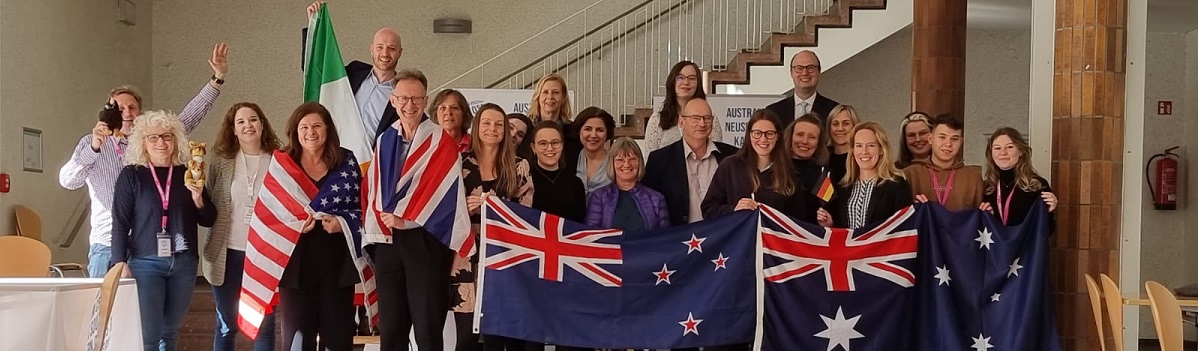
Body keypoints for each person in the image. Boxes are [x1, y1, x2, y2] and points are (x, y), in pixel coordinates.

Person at [60, 42, 229, 278]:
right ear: (108, 111)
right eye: (119, 108)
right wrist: (94, 147)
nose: (127, 113)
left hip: (145, 243)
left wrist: (217, 79)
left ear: (141, 113)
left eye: (132, 107)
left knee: (142, 312)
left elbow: (191, 115)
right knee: (104, 311)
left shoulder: (154, 140)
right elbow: (68, 181)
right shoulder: (92, 143)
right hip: (107, 243)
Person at [362, 70, 457, 351]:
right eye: (403, 98)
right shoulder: (384, 140)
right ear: (393, 101)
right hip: (389, 243)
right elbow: (374, 189)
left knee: (427, 331)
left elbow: (447, 195)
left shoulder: (441, 141)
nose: (409, 105)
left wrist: (410, 219)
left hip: (426, 242)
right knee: (391, 332)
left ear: (425, 100)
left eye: (416, 98)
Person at [110, 111, 216, 351]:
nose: (161, 142)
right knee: (148, 335)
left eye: (167, 136)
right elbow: (120, 220)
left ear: (176, 140)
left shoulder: (188, 173)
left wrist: (198, 198)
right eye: (153, 137)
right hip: (145, 263)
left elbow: (209, 219)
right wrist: (119, 261)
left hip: (184, 263)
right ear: (143, 142)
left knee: (170, 333)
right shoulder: (132, 175)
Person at [270, 102, 365, 351]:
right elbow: (270, 214)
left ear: (328, 129)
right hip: (296, 268)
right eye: (304, 127)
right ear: (295, 131)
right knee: (298, 342)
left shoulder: (346, 161)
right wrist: (293, 226)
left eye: (316, 126)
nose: (310, 132)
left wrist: (343, 224)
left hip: (337, 266)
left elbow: (363, 209)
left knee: (338, 341)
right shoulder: (282, 163)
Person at [452, 103, 535, 351]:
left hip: (504, 258)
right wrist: (464, 208)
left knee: (497, 337)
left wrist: (499, 208)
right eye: (487, 123)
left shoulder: (519, 166)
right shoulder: (460, 163)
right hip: (466, 258)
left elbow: (526, 216)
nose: (493, 129)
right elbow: (446, 209)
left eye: (499, 124)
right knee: (466, 337)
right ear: (477, 127)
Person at [202, 103, 282, 351]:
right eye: (241, 122)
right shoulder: (221, 162)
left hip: (265, 255)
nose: (248, 125)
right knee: (227, 324)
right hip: (227, 253)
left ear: (262, 124)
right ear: (233, 129)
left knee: (264, 324)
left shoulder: (279, 160)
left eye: (253, 119)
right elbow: (209, 207)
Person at [304, 1, 401, 142]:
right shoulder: (354, 71)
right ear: (372, 49)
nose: (385, 53)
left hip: (369, 161)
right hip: (335, 153)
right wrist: (314, 28)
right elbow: (319, 70)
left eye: (391, 48)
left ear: (400, 52)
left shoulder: (402, 93)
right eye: (380, 47)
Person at [702, 109, 817, 224]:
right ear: (749, 135)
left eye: (769, 134)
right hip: (738, 240)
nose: (763, 139)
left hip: (772, 241)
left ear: (777, 136)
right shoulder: (730, 166)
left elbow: (799, 221)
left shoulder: (789, 172)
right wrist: (733, 209)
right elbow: (708, 209)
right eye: (757, 133)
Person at [643, 98, 737, 226]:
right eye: (695, 118)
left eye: (707, 118)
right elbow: (650, 207)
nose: (702, 124)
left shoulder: (733, 155)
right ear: (682, 122)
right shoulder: (659, 160)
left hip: (724, 239)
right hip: (679, 240)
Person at [827, 122, 913, 229]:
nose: (864, 151)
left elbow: (904, 228)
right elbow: (841, 228)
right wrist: (830, 224)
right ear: (853, 150)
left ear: (881, 149)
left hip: (883, 245)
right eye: (859, 146)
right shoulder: (843, 187)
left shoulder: (897, 185)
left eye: (871, 145)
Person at [979, 128, 1058, 228]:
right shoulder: (986, 188)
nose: (1003, 152)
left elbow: (1048, 230)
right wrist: (989, 217)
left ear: (1021, 151)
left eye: (1010, 147)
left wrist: (1049, 211)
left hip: (1026, 243)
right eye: (997, 148)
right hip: (996, 243)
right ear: (991, 154)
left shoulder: (1037, 185)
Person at [585, 137, 669, 230]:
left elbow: (664, 239)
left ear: (640, 162)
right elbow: (591, 237)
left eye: (632, 159)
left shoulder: (657, 199)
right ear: (611, 163)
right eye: (620, 160)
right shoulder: (598, 198)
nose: (626, 165)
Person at [904, 115, 983, 211]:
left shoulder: (973, 177)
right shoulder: (910, 174)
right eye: (942, 137)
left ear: (961, 142)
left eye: (954, 139)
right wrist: (911, 209)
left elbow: (980, 217)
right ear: (930, 139)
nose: (948, 144)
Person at [643, 61, 723, 152]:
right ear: (672, 82)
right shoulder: (657, 119)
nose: (686, 82)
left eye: (691, 78)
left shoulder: (709, 118)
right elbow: (650, 158)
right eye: (680, 78)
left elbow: (716, 156)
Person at [529, 121, 588, 222]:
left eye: (555, 142)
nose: (550, 148)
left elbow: (580, 223)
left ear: (562, 145)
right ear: (533, 147)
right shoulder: (524, 181)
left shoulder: (575, 183)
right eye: (543, 144)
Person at [764, 50, 840, 127]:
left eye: (810, 68)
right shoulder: (773, 111)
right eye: (799, 68)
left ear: (819, 71)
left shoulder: (834, 111)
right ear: (791, 72)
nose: (804, 73)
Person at [570, 107, 617, 195]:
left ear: (607, 133)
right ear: (579, 131)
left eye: (600, 130)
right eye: (588, 129)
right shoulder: (569, 159)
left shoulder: (616, 163)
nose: (593, 135)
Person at [783, 114, 830, 192]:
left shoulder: (823, 175)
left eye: (812, 137)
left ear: (819, 143)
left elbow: (826, 204)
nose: (805, 141)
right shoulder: (777, 169)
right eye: (800, 135)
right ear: (790, 137)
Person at [825, 105, 859, 183]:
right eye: (835, 124)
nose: (840, 128)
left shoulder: (861, 157)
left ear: (855, 126)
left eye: (846, 123)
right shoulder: (821, 159)